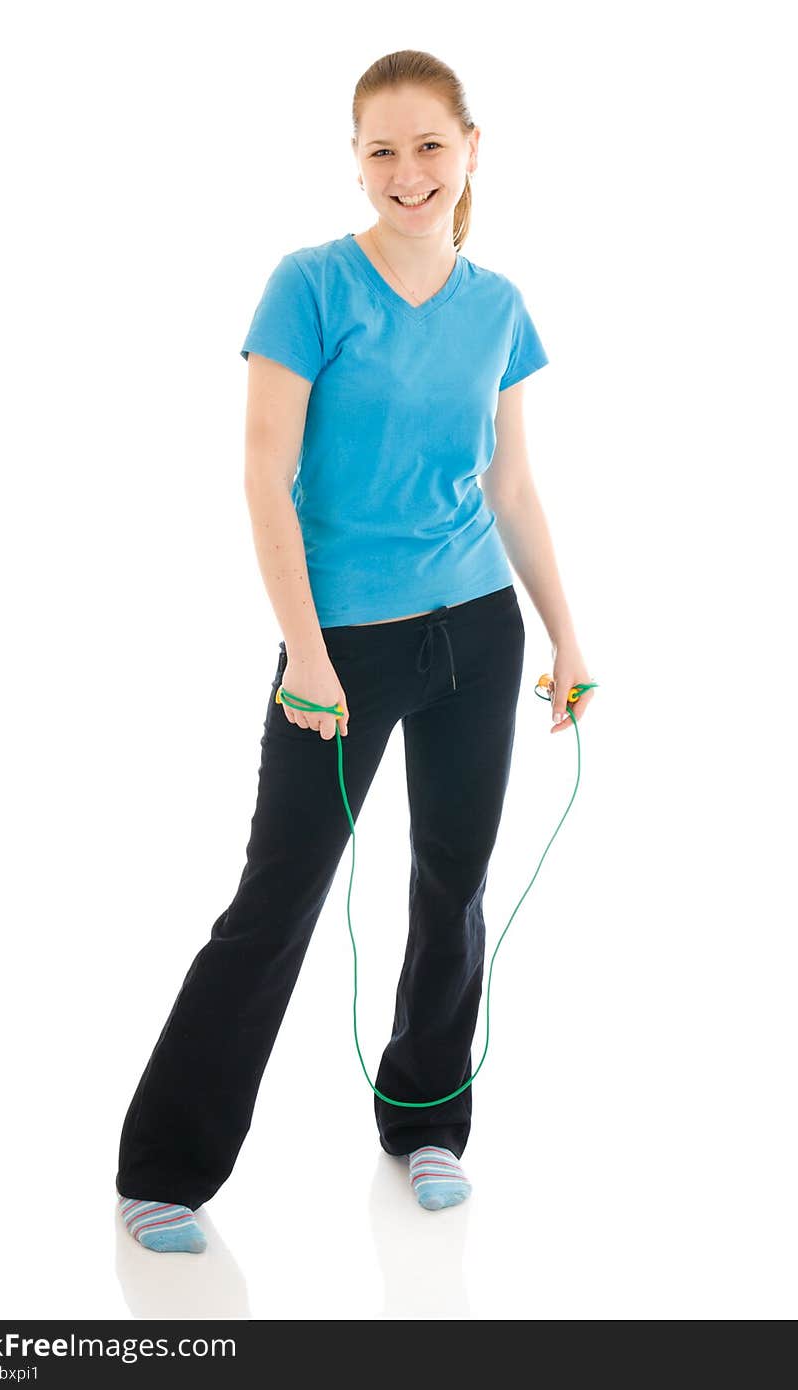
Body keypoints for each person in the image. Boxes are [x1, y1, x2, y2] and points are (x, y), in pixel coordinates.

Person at [115, 48, 595, 1254]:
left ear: (471, 148)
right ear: (355, 160)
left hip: (477, 633)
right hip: (339, 650)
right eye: (380, 148)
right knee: (275, 901)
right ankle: (163, 1169)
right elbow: (262, 480)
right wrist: (306, 655)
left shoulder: (500, 305)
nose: (406, 171)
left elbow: (514, 482)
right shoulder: (310, 285)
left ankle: (427, 1121)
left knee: (452, 886)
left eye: (429, 144)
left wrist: (566, 634)